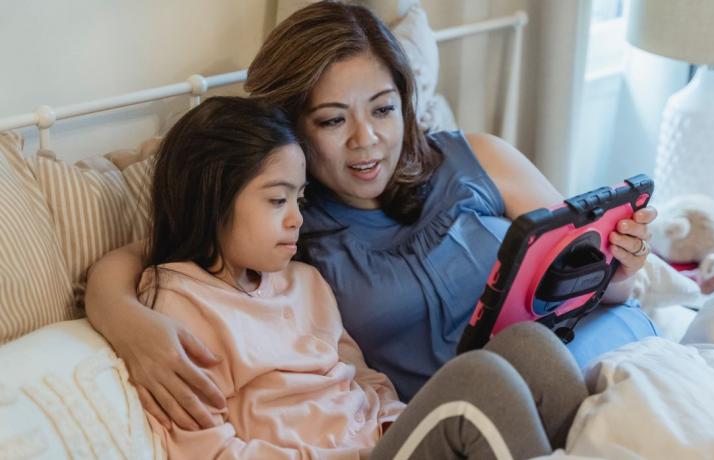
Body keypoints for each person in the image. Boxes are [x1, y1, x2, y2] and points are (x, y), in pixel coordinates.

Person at [85, 0, 656, 436]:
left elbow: (587, 279)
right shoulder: (286, 227)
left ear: (404, 103)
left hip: (588, 356)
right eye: (334, 120)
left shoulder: (476, 156)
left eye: (383, 109)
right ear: (294, 127)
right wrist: (122, 317)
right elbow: (155, 247)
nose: (368, 141)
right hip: (461, 416)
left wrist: (619, 269)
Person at [136, 95, 589, 459]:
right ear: (212, 201)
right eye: (278, 201)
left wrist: (397, 423)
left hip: (380, 441)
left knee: (531, 347)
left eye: (300, 199)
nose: (297, 219)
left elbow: (364, 379)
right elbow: (206, 449)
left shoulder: (305, 282)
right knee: (477, 384)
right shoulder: (180, 304)